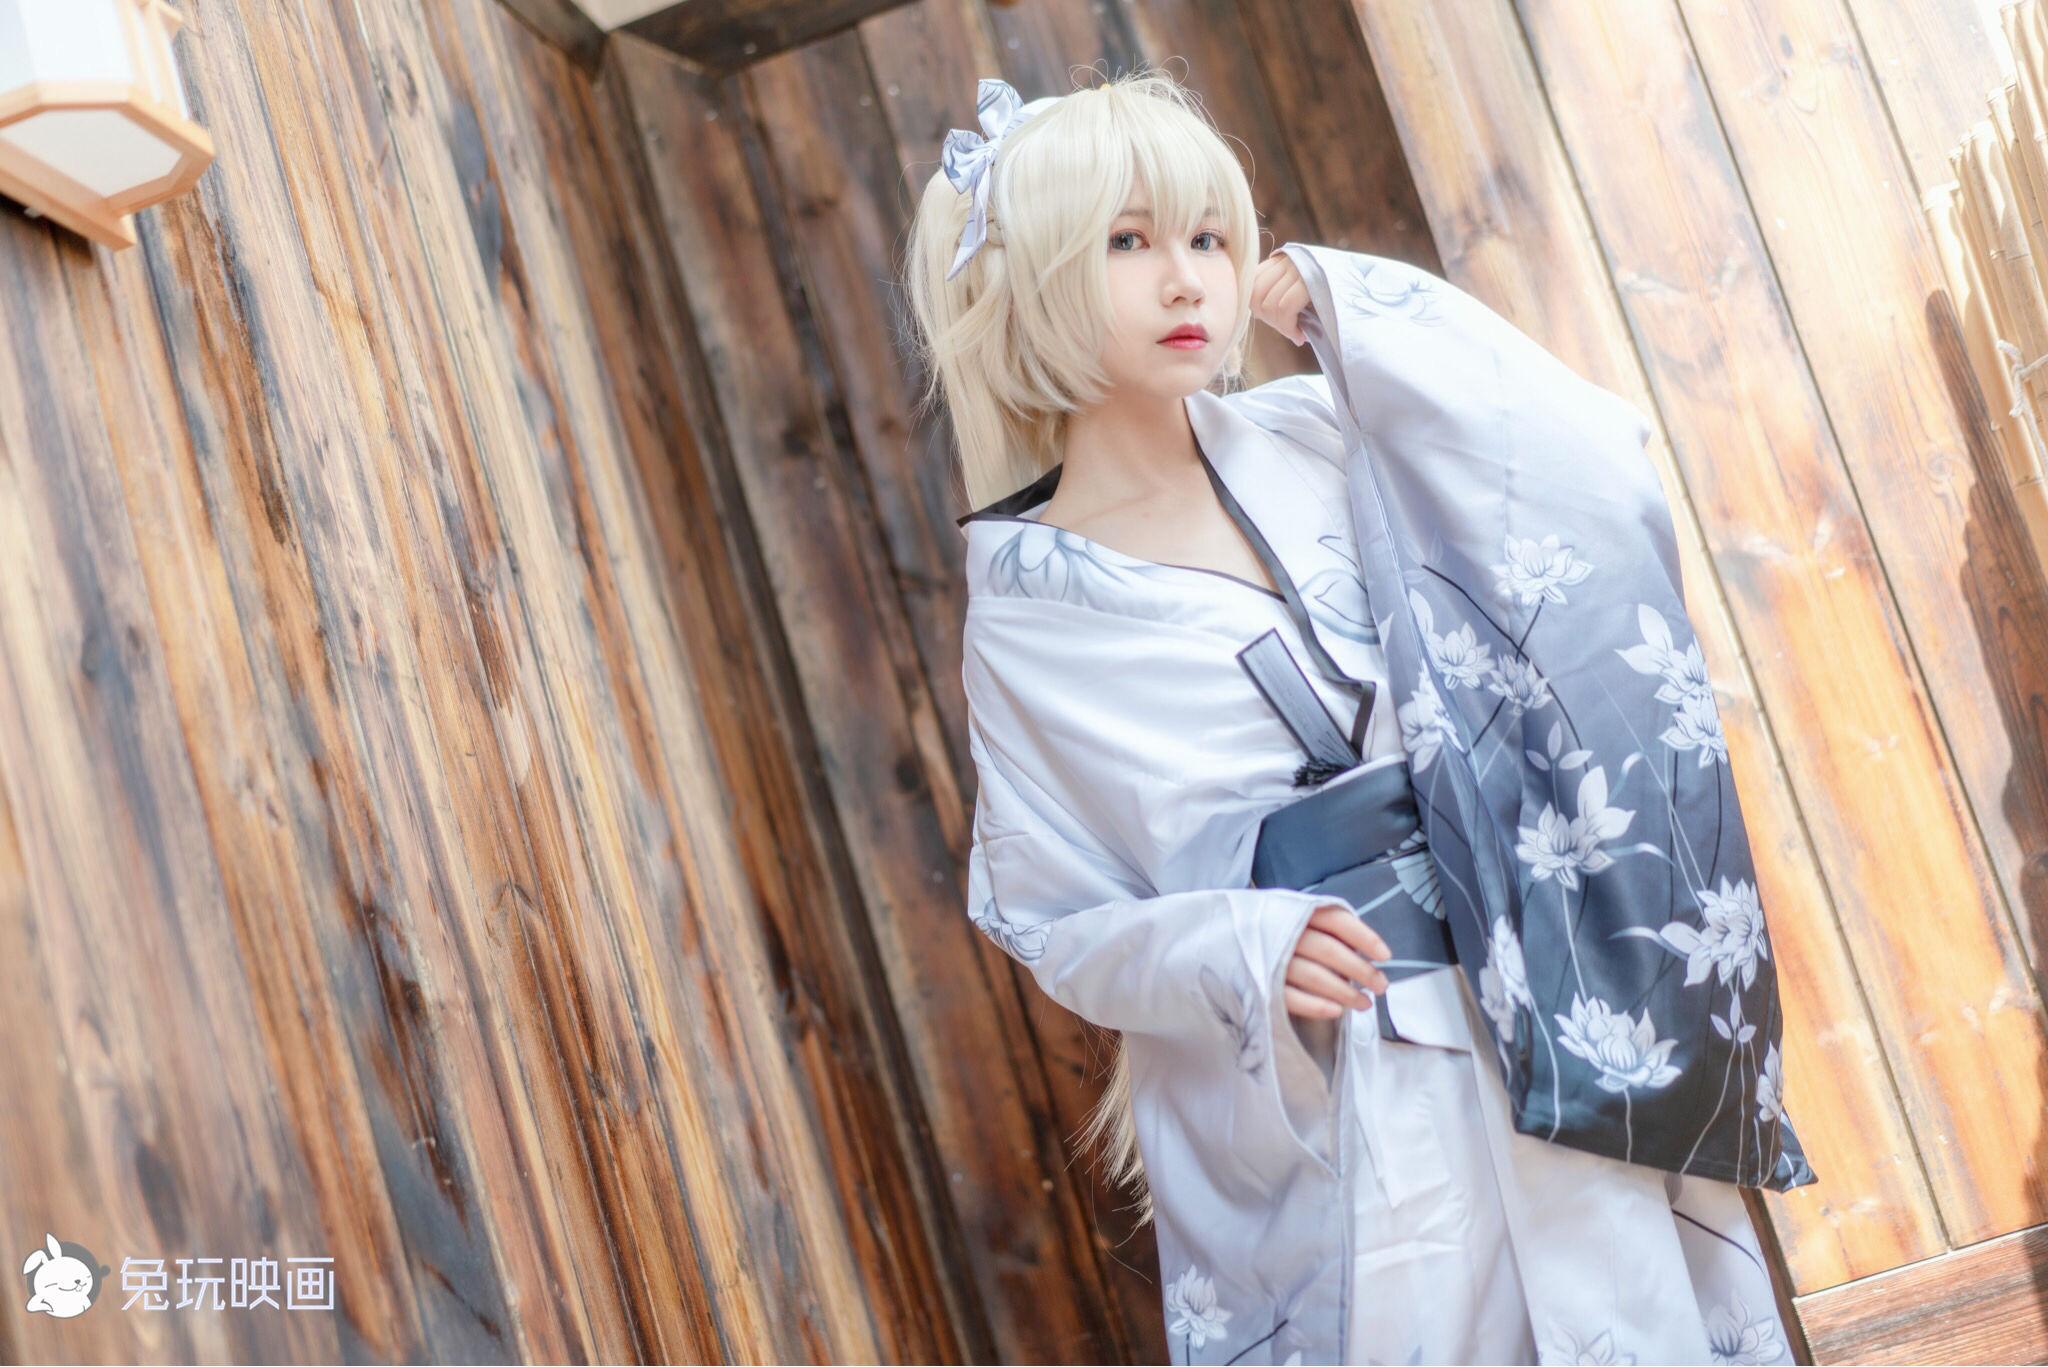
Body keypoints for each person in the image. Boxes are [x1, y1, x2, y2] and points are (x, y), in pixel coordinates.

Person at [903, 67, 1810, 1366]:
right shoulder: (1030, 611)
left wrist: (1360, 312)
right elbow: (1058, 916)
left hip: (1540, 977)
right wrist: (1248, 944)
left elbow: (1574, 457)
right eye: (1128, 243)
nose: (1187, 282)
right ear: (1027, 277)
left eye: (1209, 238)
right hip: (1353, 1067)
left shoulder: (1324, 425)